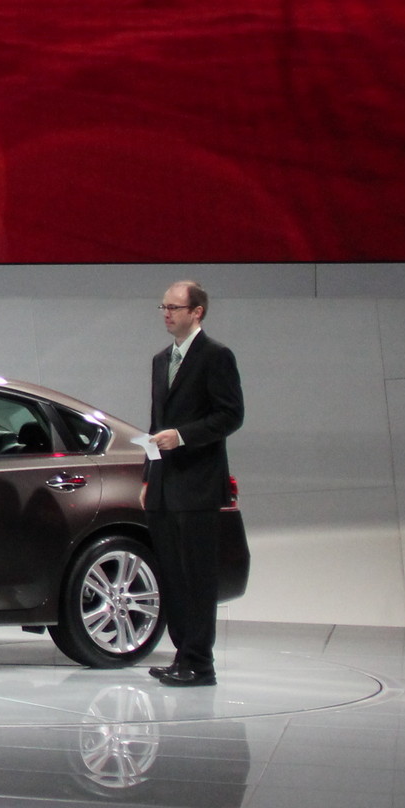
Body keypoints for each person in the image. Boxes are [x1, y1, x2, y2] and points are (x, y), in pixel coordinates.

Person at [143, 279, 244, 688]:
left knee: (199, 577)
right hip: (166, 485)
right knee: (173, 575)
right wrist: (149, 476)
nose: (166, 313)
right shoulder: (160, 359)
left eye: (173, 307)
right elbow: (155, 425)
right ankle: (182, 654)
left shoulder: (216, 356)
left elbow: (230, 415)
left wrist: (183, 436)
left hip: (198, 484)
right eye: (162, 306)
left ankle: (201, 662)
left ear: (196, 311)